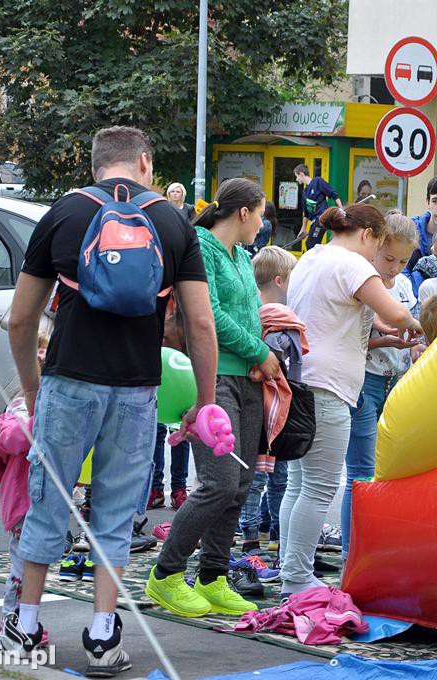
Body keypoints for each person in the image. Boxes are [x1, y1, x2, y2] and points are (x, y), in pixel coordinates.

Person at [7, 126, 217, 676]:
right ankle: (103, 636)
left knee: (50, 496)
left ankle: (25, 624)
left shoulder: (64, 214)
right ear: (145, 163)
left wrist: (34, 391)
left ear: (97, 165)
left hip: (68, 380)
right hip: (136, 387)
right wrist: (206, 401)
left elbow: (21, 319)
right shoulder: (173, 222)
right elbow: (198, 322)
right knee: (118, 511)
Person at [146, 177, 281, 619]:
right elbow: (212, 317)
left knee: (239, 486)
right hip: (214, 379)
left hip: (246, 381)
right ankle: (165, 575)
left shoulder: (242, 256)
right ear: (243, 213)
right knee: (219, 483)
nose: (262, 225)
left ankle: (213, 576)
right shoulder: (201, 247)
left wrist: (260, 358)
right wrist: (260, 351)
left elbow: (247, 314)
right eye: (260, 215)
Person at [279, 204, 422, 597]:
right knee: (320, 488)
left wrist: (382, 330)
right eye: (381, 249)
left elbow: (339, 314)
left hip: (300, 378)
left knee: (298, 484)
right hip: (328, 388)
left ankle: (289, 570)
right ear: (368, 236)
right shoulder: (354, 265)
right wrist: (426, 325)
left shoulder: (313, 256)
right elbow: (397, 312)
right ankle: (297, 579)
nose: (380, 261)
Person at [340, 211, 419, 559]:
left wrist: (414, 345)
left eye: (403, 260)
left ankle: (376, 546)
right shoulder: (363, 278)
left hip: (394, 382)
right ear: (376, 247)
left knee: (386, 473)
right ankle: (350, 551)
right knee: (360, 474)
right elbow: (353, 339)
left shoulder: (402, 285)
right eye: (389, 258)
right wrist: (388, 341)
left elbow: (411, 332)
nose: (395, 267)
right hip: (364, 382)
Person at [0, 327, 50, 639]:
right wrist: (40, 421)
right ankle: (12, 622)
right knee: (22, 568)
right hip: (24, 503)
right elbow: (8, 439)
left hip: (45, 500)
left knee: (36, 564)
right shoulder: (22, 406)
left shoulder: (58, 406)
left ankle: (26, 620)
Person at [236, 246, 299, 557]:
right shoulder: (276, 319)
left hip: (262, 408)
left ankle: (265, 532)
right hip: (268, 410)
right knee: (266, 475)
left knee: (265, 474)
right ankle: (259, 534)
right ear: (280, 281)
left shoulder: (251, 315)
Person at [148, 304, 191, 511]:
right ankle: (155, 489)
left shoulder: (186, 308)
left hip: (182, 378)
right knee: (156, 430)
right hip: (158, 374)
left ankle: (179, 488)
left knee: (181, 433)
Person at [294, 164, 343, 246]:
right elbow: (306, 213)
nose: (296, 179)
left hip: (322, 218)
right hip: (314, 221)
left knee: (311, 243)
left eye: (296, 176)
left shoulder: (318, 181)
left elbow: (333, 194)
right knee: (310, 243)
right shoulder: (305, 192)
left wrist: (341, 208)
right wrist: (303, 228)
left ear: (301, 174)